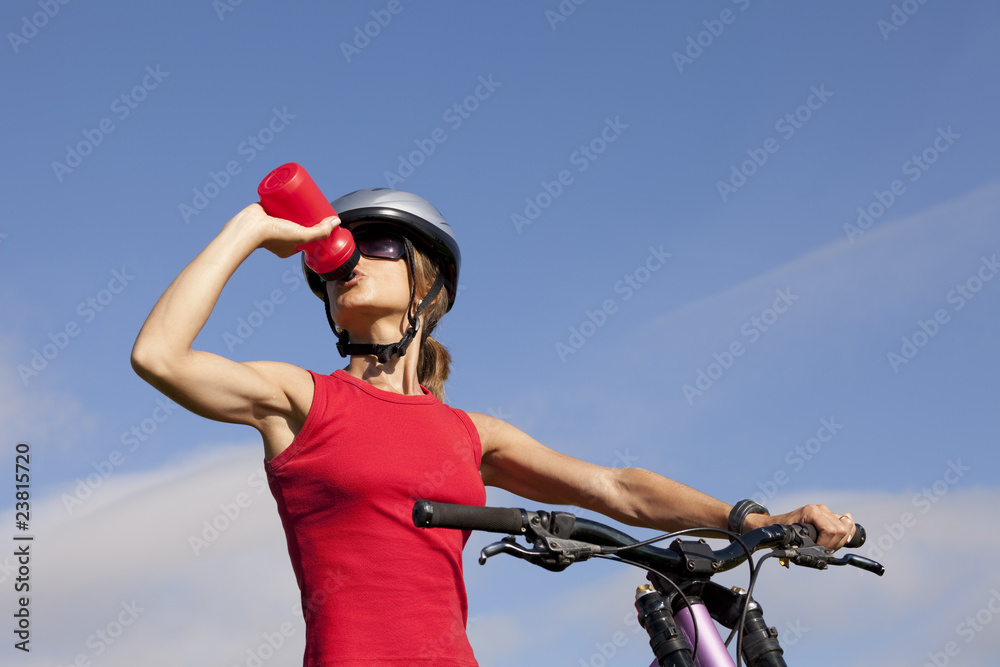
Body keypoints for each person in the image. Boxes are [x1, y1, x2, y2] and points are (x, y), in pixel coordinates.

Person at [131, 187, 857, 666]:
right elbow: (159, 356)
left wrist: (754, 518)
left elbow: (615, 490)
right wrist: (251, 228)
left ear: (427, 282)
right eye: (339, 254)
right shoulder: (301, 399)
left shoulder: (469, 433)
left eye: (379, 242)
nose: (349, 258)